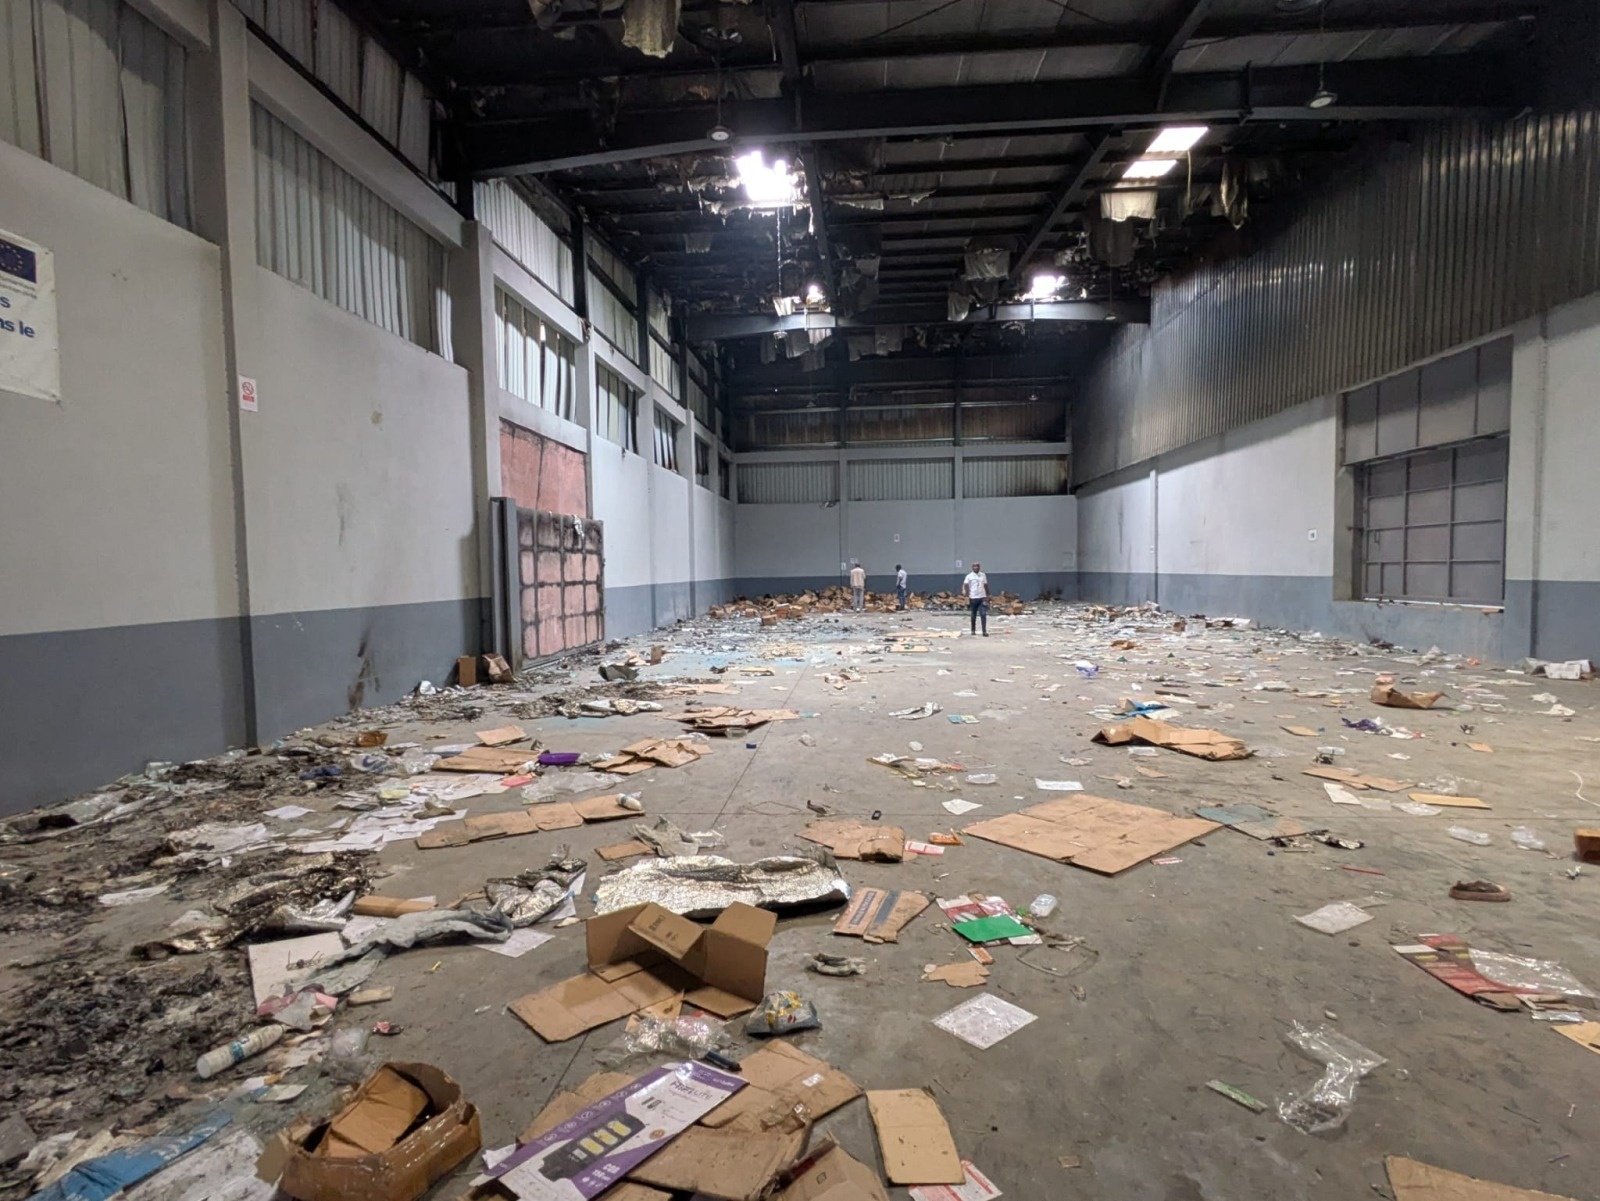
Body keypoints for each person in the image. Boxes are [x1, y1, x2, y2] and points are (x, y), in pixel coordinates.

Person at [962, 562, 989, 636]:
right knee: (973, 614)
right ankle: (973, 630)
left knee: (983, 614)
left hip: (982, 597)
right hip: (973, 597)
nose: (976, 567)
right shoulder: (969, 576)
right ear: (972, 567)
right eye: (974, 566)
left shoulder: (983, 575)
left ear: (979, 567)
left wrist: (987, 596)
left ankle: (984, 631)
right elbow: (966, 585)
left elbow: (985, 585)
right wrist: (967, 596)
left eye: (977, 566)